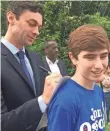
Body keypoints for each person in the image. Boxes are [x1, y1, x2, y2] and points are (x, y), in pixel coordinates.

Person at [1, 1, 62, 131]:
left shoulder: (36, 59)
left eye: (39, 27)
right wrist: (43, 100)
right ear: (11, 18)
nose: (37, 32)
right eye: (32, 24)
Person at [47, 25, 110, 131]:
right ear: (73, 58)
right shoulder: (65, 100)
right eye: (90, 57)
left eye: (103, 56)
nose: (99, 65)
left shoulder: (98, 91)